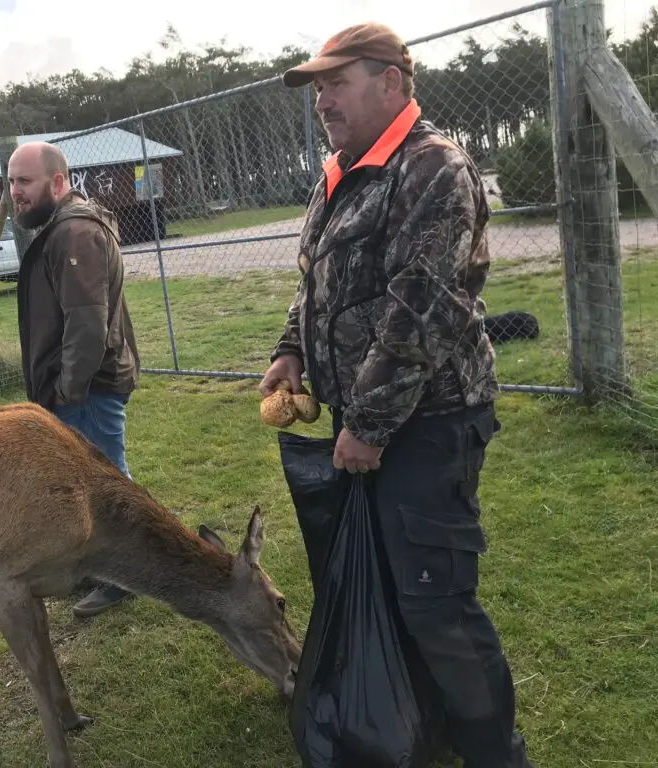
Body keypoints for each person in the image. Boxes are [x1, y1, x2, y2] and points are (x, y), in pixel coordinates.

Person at [261, 22, 536, 768]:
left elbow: (423, 309)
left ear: (392, 82)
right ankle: (421, 726)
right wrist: (291, 349)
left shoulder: (432, 168)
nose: (323, 101)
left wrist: (371, 426)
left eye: (337, 83)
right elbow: (318, 281)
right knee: (386, 581)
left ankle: (495, 755)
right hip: (365, 420)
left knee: (434, 599)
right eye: (318, 88)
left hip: (432, 420)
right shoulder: (342, 171)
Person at [7, 141, 141, 618]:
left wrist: (68, 389)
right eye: (11, 181)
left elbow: (86, 324)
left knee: (107, 484)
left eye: (25, 181)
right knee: (91, 481)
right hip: (80, 387)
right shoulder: (65, 226)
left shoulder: (75, 232)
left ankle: (125, 575)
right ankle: (103, 567)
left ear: (58, 182)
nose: (15, 192)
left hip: (88, 388)